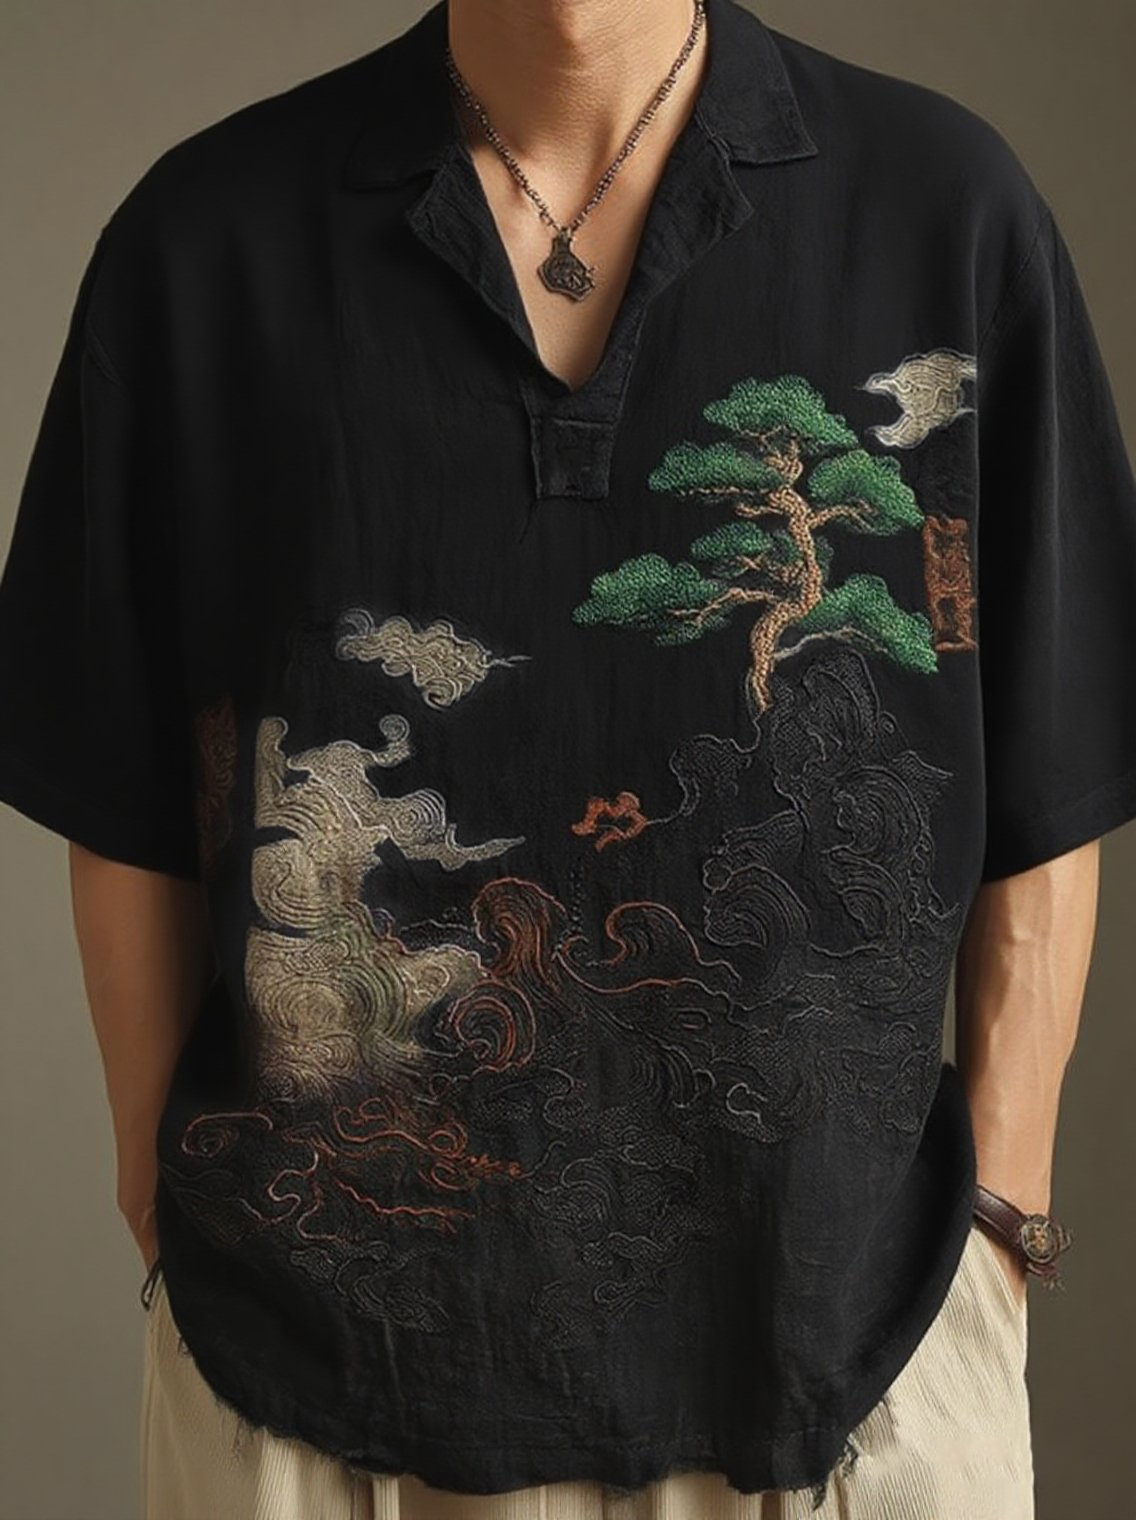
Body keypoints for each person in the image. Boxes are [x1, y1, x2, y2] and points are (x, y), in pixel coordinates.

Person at [2, 0, 1134, 1516]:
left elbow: (1055, 745)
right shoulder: (206, 245)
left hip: (857, 1364)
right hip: (311, 1385)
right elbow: (120, 780)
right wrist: (170, 1215)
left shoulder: (944, 211)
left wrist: (1001, 1216)